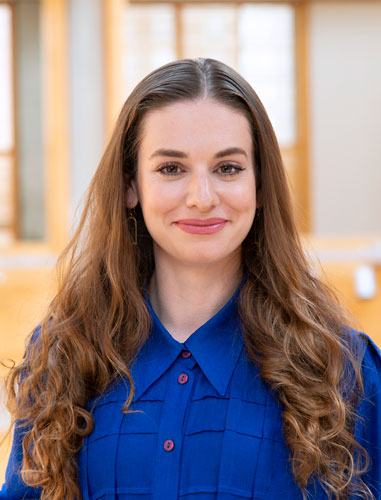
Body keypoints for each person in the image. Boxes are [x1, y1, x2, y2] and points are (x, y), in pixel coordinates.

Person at [0, 58, 380, 500]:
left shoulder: (343, 368)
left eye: (228, 168)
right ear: (131, 187)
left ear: (260, 187)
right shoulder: (66, 357)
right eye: (171, 169)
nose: (202, 197)